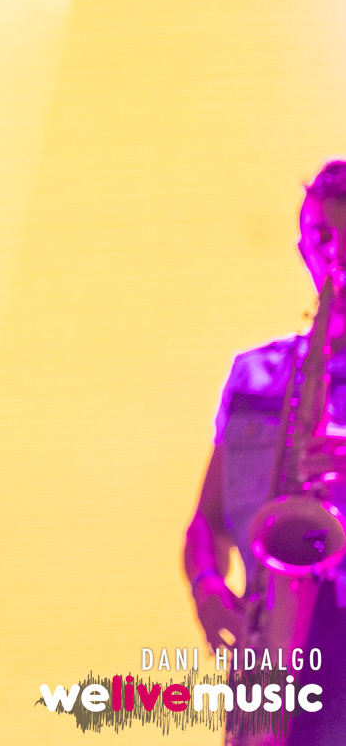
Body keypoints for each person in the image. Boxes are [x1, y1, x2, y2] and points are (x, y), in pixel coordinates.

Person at [184, 160, 346, 746]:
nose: (336, 254)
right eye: (323, 236)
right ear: (303, 246)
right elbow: (206, 521)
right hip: (270, 642)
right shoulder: (258, 374)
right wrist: (207, 585)